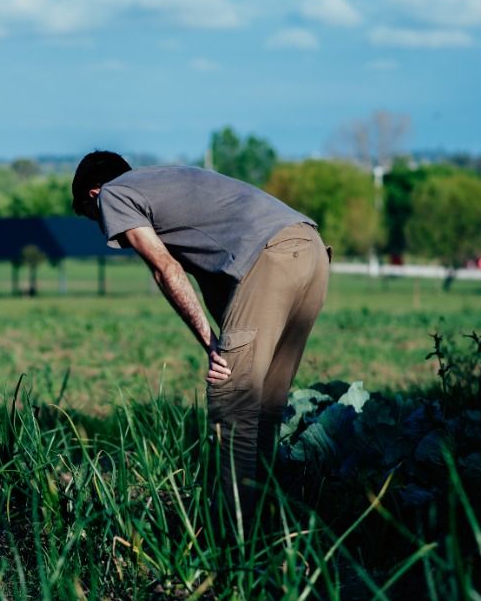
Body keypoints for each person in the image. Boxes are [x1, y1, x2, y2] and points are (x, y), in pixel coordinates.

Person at [71, 150, 330, 531]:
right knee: (264, 409)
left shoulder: (115, 194)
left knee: (233, 400)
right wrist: (229, 338)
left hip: (271, 257)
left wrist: (212, 346)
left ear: (94, 194)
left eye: (95, 220)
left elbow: (165, 270)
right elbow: (219, 284)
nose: (109, 231)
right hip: (311, 250)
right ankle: (270, 527)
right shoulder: (170, 187)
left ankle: (231, 541)